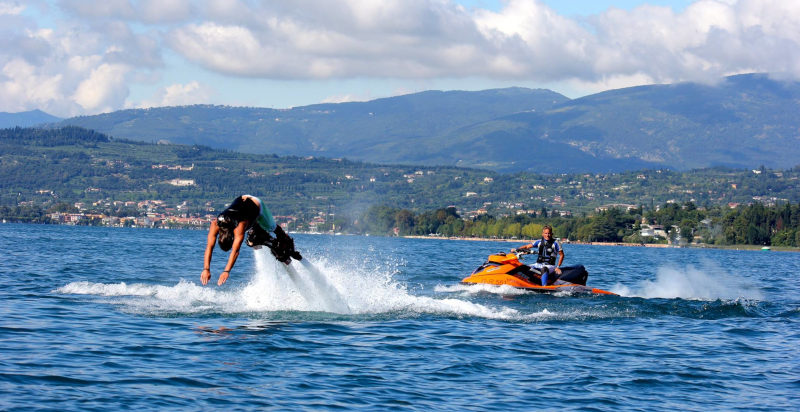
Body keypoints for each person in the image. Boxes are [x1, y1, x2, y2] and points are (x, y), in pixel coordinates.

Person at [201, 195, 301, 286]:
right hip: (243, 205)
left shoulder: (239, 227)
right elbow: (209, 247)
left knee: (271, 228)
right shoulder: (215, 224)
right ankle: (264, 236)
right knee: (253, 241)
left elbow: (235, 251)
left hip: (256, 205)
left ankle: (286, 240)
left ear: (233, 237)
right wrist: (206, 269)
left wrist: (226, 271)